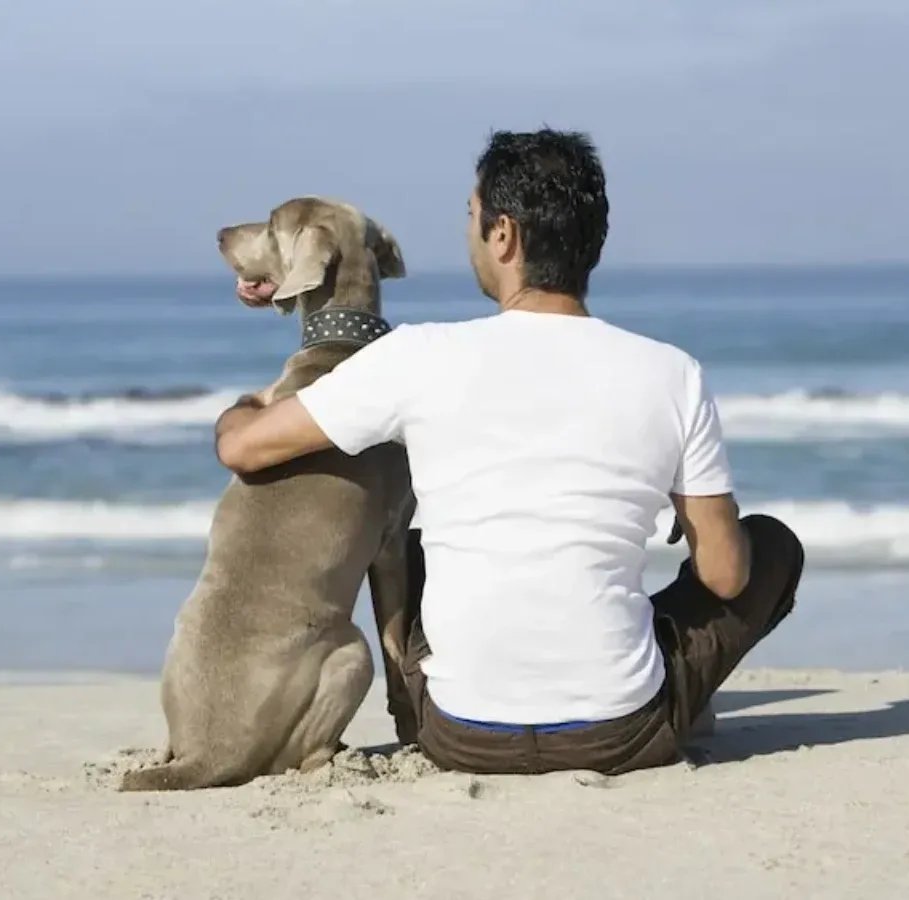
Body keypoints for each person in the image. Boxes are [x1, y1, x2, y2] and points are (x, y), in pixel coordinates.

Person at [215, 128, 804, 775]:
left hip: (461, 736)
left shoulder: (416, 356)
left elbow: (244, 450)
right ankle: (670, 696)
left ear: (504, 235)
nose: (468, 235)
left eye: (471, 217)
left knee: (409, 549)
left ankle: (441, 702)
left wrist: (247, 403)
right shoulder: (671, 373)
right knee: (769, 545)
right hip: (620, 736)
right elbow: (725, 576)